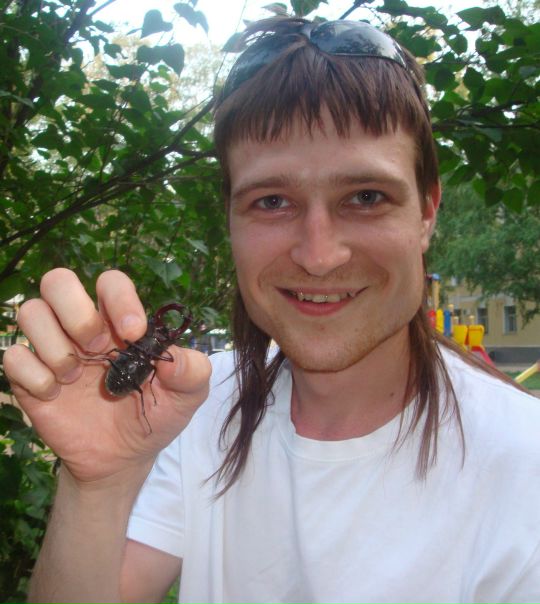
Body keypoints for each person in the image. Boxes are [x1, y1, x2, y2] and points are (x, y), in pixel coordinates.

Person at [3, 17, 540, 604]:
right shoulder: (192, 408)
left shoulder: (525, 469)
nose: (319, 256)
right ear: (231, 222)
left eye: (366, 197)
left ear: (427, 214)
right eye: (272, 200)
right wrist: (97, 488)